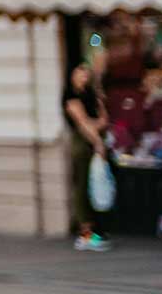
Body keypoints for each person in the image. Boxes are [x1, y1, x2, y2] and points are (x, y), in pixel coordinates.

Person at [64, 61, 113, 252]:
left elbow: (103, 120)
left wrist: (95, 124)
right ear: (72, 75)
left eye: (87, 72)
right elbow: (82, 123)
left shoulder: (91, 95)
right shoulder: (71, 96)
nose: (85, 75)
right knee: (82, 187)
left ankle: (96, 231)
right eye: (80, 71)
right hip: (83, 145)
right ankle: (85, 234)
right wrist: (97, 142)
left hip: (94, 143)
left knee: (97, 185)